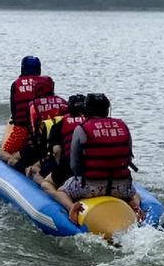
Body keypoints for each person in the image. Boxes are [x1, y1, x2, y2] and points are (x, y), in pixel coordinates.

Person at [51, 93, 144, 224]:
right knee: (135, 192)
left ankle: (72, 208)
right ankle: (135, 204)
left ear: (86, 109)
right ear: (107, 110)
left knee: (61, 191)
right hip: (120, 187)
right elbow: (128, 158)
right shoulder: (123, 126)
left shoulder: (82, 129)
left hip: (90, 187)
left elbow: (74, 165)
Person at [0, 56, 53, 163]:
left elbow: (14, 111)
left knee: (2, 154)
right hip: (44, 130)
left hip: (22, 130)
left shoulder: (16, 84)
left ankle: (16, 162)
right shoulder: (47, 82)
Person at [9, 93, 69, 181]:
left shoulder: (34, 104)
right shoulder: (63, 101)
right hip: (59, 146)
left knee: (11, 161)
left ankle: (26, 170)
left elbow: (33, 128)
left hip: (40, 144)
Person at [40, 94, 87, 197]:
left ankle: (60, 198)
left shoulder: (60, 123)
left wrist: (59, 166)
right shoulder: (93, 122)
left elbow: (57, 150)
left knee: (45, 183)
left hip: (69, 163)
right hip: (94, 165)